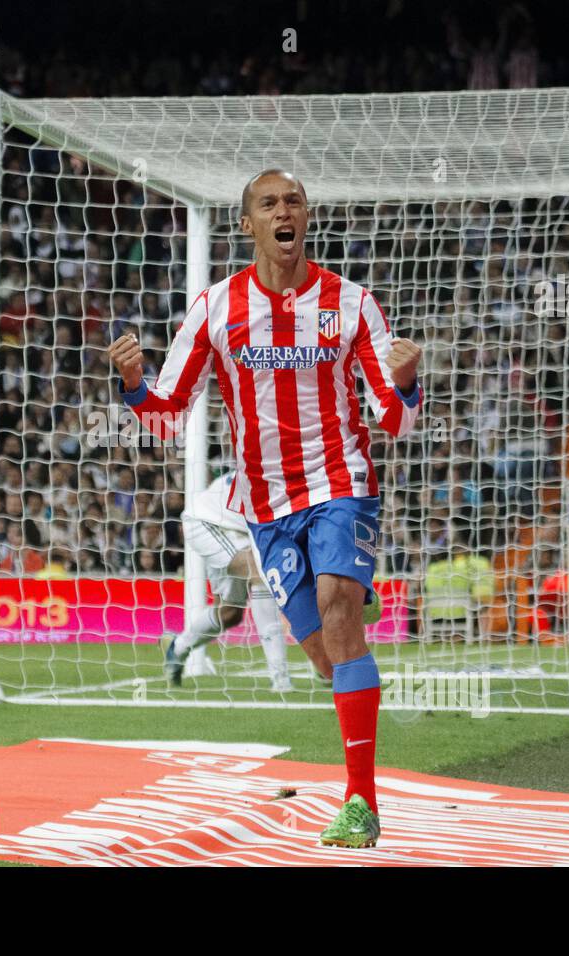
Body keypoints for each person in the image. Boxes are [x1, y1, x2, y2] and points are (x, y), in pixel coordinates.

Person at [109, 169, 422, 848]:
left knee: (341, 605)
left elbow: (390, 420)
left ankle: (362, 803)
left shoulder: (352, 304)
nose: (286, 211)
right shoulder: (218, 308)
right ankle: (356, 697)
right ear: (247, 225)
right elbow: (166, 419)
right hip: (267, 507)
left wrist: (406, 382)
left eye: (295, 202)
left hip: (341, 483)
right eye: (270, 203)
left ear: (306, 219)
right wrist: (134, 385)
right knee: (324, 656)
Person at [161, 470, 314, 693]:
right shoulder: (277, 481)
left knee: (230, 614)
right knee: (259, 574)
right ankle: (281, 680)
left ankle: (177, 648)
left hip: (236, 528)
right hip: (206, 522)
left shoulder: (293, 483)